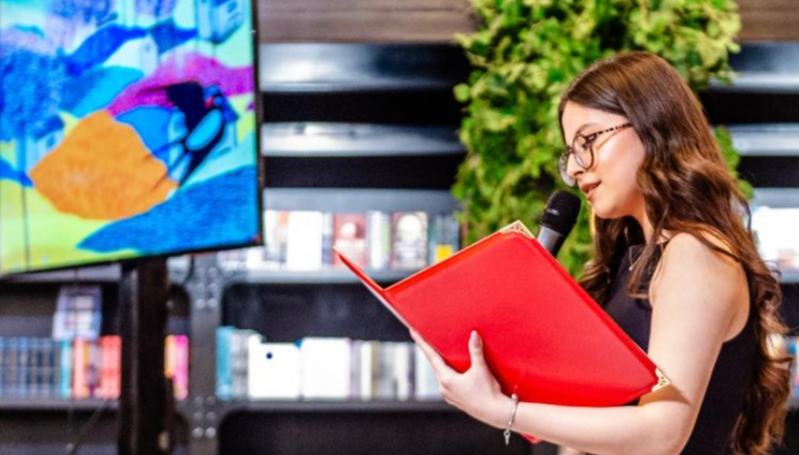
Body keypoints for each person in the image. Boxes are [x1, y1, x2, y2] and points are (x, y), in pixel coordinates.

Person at [411, 51, 792, 455]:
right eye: (571, 153)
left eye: (588, 141)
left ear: (652, 126)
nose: (576, 168)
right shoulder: (634, 261)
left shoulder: (694, 253)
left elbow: (662, 433)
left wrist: (504, 411)